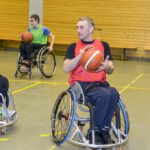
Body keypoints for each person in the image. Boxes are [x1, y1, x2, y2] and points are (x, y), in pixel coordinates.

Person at [63, 17, 119, 144]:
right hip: (80, 86)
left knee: (114, 92)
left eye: (81, 27)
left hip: (99, 84)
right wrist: (80, 57)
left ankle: (104, 130)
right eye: (77, 27)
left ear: (91, 29)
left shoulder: (103, 45)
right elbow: (66, 68)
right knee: (104, 94)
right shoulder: (73, 47)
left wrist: (106, 67)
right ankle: (94, 131)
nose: (78, 30)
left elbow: (111, 69)